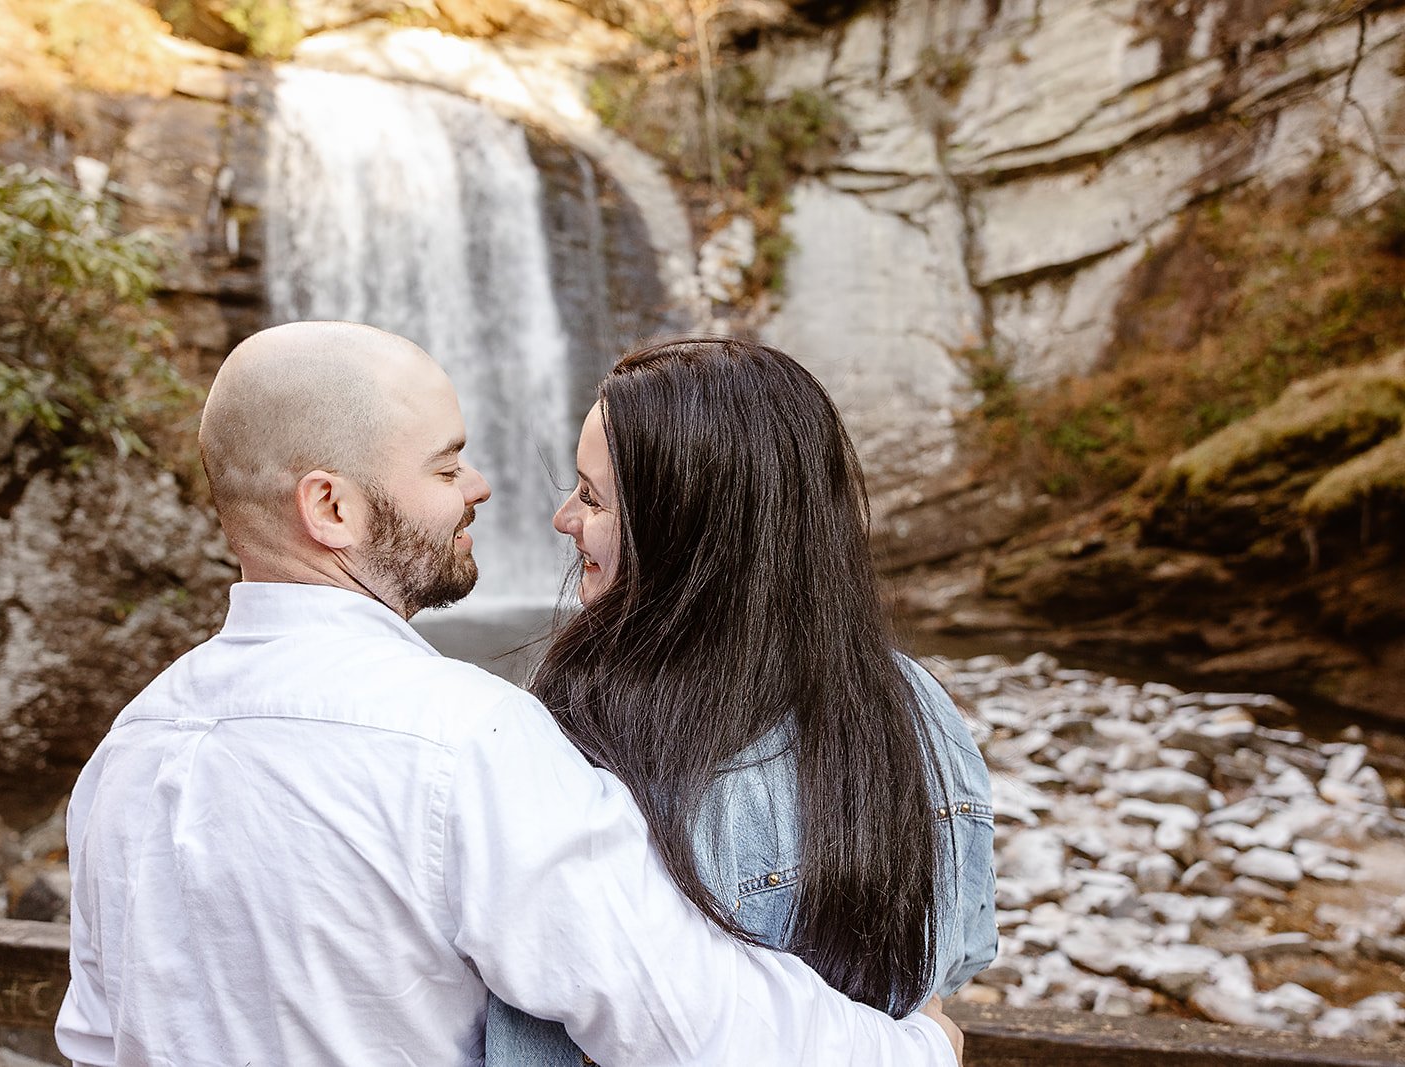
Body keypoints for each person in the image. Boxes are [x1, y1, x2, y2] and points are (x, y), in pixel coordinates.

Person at [54, 321, 964, 1066]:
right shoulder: (463, 737)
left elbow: (97, 1039)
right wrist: (919, 1049)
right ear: (331, 507)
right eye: (447, 468)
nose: (482, 488)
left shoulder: (130, 748)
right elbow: (686, 1018)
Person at [486, 337, 996, 1064]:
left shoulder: (594, 744)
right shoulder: (917, 704)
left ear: (684, 528)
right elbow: (945, 973)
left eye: (592, 496)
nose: (564, 517)